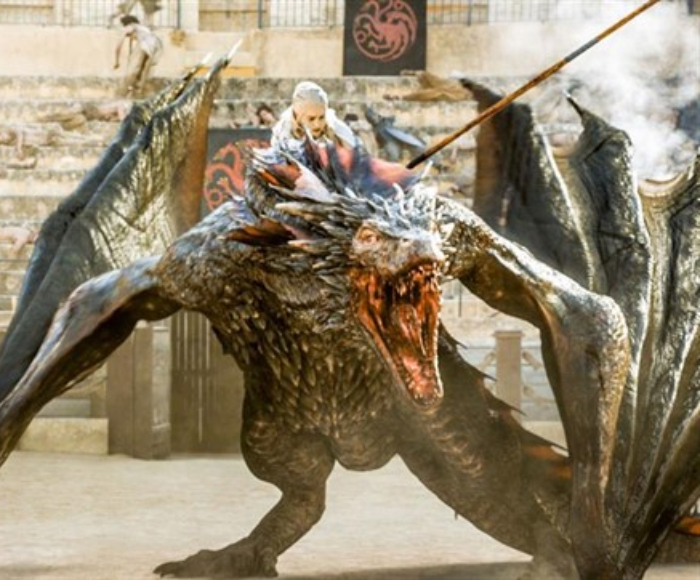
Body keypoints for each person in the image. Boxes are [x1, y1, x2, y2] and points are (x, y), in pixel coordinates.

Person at [270, 81, 358, 157]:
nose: (317, 124)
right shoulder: (282, 134)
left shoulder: (339, 132)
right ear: (297, 116)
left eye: (321, 117)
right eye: (311, 119)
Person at [113, 15, 163, 98]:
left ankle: (124, 92)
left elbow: (118, 46)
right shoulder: (142, 29)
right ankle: (138, 92)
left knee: (135, 69)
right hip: (157, 45)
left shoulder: (129, 27)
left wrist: (117, 62)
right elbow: (133, 43)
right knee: (144, 70)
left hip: (147, 44)